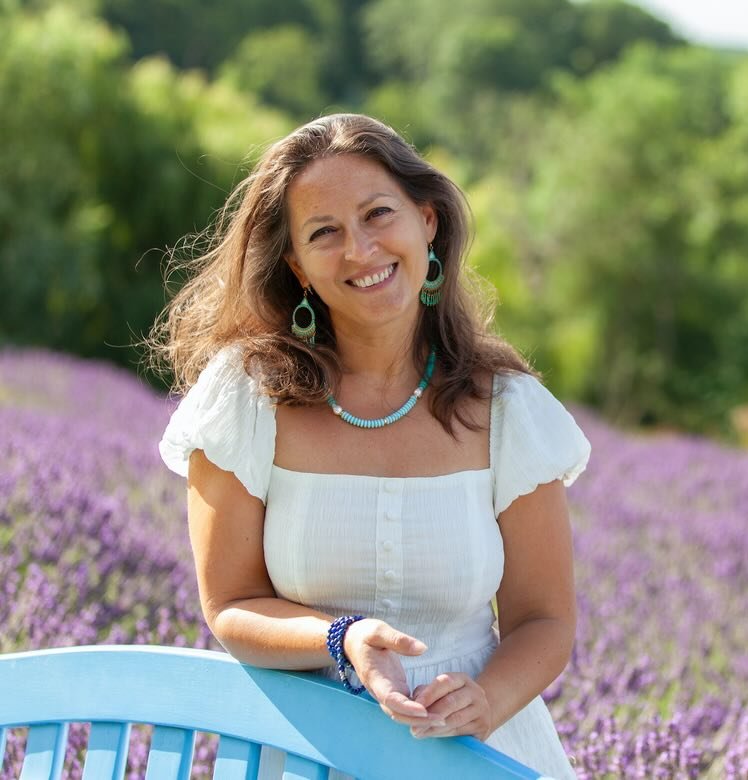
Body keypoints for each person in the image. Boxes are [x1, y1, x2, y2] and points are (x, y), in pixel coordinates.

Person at [153, 113, 588, 779]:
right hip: (307, 752)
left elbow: (545, 620)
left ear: (427, 220)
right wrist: (341, 637)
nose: (359, 249)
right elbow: (231, 604)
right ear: (297, 266)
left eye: (378, 214)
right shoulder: (246, 398)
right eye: (324, 233)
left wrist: (485, 701)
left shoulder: (507, 408)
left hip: (480, 752)